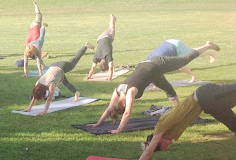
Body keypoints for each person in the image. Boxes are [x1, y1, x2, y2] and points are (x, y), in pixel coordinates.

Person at [88, 41, 220, 134]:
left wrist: (119, 129)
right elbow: (109, 109)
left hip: (155, 64)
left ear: (123, 103)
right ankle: (179, 113)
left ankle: (207, 46)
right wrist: (97, 124)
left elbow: (128, 112)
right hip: (148, 68)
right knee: (169, 90)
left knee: (184, 60)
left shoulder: (129, 92)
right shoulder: (117, 91)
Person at [118, 83, 236, 160]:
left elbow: (149, 150)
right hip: (206, 102)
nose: (170, 144)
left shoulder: (161, 127)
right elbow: (149, 150)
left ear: (159, 140)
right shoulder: (165, 129)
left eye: (166, 146)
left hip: (206, 96)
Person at [24, 42, 94, 114]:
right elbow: (35, 96)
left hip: (62, 67)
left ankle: (86, 46)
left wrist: (45, 111)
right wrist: (29, 108)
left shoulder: (51, 84)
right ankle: (77, 93)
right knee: (65, 83)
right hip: (54, 67)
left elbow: (49, 99)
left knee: (75, 59)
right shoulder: (38, 84)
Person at [147, 39, 217, 83]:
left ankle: (208, 47)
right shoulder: (148, 59)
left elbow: (158, 75)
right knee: (189, 55)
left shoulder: (157, 64)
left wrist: (155, 86)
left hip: (176, 46)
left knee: (189, 57)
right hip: (168, 42)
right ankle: (194, 76)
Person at [84, 14, 117, 81]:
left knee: (112, 27)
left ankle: (113, 19)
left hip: (104, 37)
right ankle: (113, 18)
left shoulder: (107, 56)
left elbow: (110, 67)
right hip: (99, 40)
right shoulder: (97, 57)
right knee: (111, 27)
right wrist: (89, 76)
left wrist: (89, 76)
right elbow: (93, 67)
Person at [22, 1, 47, 77]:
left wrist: (40, 73)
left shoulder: (38, 46)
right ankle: (35, 4)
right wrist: (25, 73)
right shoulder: (27, 50)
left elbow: (38, 61)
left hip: (35, 26)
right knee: (38, 14)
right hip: (33, 27)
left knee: (39, 15)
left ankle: (43, 26)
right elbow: (25, 62)